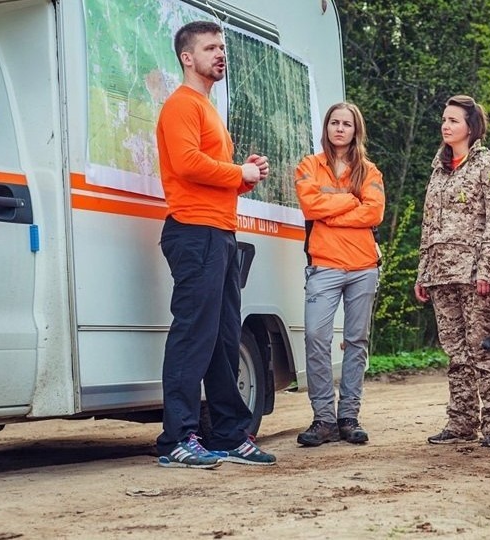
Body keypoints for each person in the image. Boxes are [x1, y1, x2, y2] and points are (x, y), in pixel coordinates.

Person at [155, 20, 275, 468]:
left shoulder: (206, 108)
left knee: (225, 338)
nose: (220, 53)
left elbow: (212, 176)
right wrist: (236, 173)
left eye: (222, 47)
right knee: (193, 336)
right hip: (194, 232)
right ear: (188, 57)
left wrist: (244, 176)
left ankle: (227, 434)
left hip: (219, 232)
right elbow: (186, 164)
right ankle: (176, 440)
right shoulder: (181, 105)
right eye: (211, 47)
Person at [416, 95, 490, 450]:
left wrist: (487, 269)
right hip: (441, 274)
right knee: (455, 353)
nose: (446, 126)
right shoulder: (438, 169)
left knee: (483, 351)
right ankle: (461, 421)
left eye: (453, 120)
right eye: (444, 119)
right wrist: (423, 272)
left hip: (476, 276)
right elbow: (429, 226)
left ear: (471, 127)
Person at [294, 102, 385, 447]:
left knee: (356, 342)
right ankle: (323, 419)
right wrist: (351, 201)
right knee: (316, 337)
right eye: (335, 122)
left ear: (355, 130)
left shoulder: (370, 171)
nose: (340, 128)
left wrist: (332, 213)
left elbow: (374, 212)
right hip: (324, 264)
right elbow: (310, 206)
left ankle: (348, 417)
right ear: (327, 127)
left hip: (363, 267)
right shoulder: (309, 166)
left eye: (347, 123)